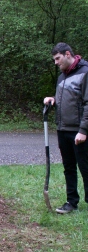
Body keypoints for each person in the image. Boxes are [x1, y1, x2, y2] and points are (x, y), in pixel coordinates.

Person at [44, 42, 88, 214]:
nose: (56, 63)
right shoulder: (62, 76)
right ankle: (71, 202)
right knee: (69, 167)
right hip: (63, 129)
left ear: (68, 54)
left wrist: (84, 131)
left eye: (58, 58)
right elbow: (67, 97)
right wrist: (53, 99)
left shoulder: (85, 72)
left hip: (80, 131)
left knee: (85, 167)